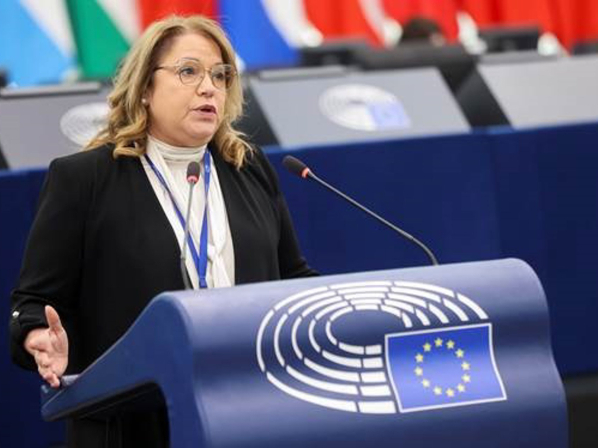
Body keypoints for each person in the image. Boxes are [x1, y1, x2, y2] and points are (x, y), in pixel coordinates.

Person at [9, 15, 316, 447]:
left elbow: (292, 278)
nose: (209, 88)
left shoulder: (248, 168)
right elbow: (34, 301)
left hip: (247, 410)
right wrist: (39, 336)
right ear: (145, 88)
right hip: (133, 425)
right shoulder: (85, 179)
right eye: (189, 71)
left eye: (220, 75)